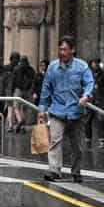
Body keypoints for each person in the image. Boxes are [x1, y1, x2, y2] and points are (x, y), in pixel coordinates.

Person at [37, 36, 96, 182]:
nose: (62, 52)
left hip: (76, 112)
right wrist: (41, 109)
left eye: (65, 49)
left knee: (77, 145)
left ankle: (76, 171)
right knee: (55, 141)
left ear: (72, 50)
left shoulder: (81, 67)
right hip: (57, 111)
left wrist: (86, 96)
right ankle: (54, 170)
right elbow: (46, 89)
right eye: (60, 49)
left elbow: (89, 83)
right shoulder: (52, 68)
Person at [7, 55, 37, 133]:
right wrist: (32, 90)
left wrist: (11, 91)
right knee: (23, 108)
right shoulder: (31, 70)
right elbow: (34, 81)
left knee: (16, 107)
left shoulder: (17, 68)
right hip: (27, 90)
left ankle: (20, 121)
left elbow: (13, 80)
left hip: (18, 89)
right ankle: (22, 126)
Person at [85, 58, 104, 148]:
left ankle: (101, 141)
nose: (94, 65)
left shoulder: (103, 75)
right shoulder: (88, 74)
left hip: (99, 100)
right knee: (88, 121)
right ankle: (88, 140)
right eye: (93, 63)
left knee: (100, 120)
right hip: (90, 100)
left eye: (95, 63)